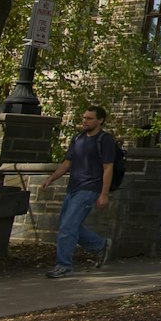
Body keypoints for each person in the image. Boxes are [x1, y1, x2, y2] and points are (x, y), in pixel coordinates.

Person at [38, 104, 119, 279]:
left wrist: (104, 194)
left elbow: (108, 168)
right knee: (69, 225)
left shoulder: (104, 140)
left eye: (89, 118)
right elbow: (68, 163)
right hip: (73, 187)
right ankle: (100, 245)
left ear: (100, 121)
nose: (85, 121)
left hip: (90, 188)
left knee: (67, 227)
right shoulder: (78, 138)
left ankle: (63, 265)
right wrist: (51, 179)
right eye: (84, 118)